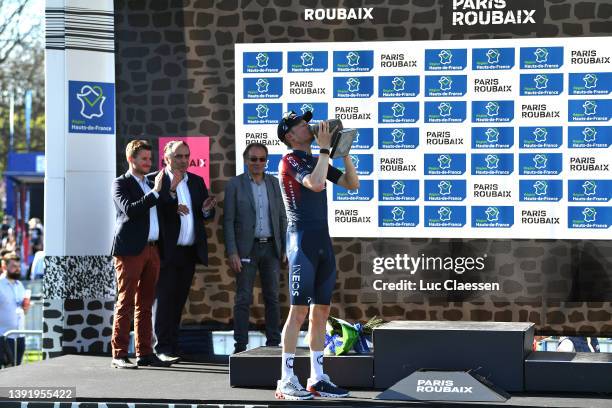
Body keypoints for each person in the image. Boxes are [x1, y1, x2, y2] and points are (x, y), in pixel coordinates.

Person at [274, 111, 359, 400]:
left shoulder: (315, 158)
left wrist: (342, 150)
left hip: (322, 239)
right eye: (300, 124)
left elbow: (351, 183)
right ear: (290, 135)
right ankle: (285, 379)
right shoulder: (290, 159)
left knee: (321, 310)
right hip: (302, 241)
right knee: (298, 312)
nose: (307, 125)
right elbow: (315, 184)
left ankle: (317, 377)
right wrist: (324, 150)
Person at [151, 140, 216, 363]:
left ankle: (173, 345)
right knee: (163, 302)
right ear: (166, 158)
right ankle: (161, 347)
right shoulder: (156, 180)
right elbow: (154, 210)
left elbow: (205, 215)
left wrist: (207, 211)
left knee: (178, 301)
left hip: (188, 252)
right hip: (165, 252)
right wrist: (170, 199)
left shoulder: (197, 182)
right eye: (178, 156)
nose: (183, 160)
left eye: (186, 156)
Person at [110, 140, 172, 369]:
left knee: (145, 304)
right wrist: (155, 192)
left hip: (153, 249)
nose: (148, 163)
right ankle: (119, 354)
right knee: (125, 302)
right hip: (130, 251)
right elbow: (130, 209)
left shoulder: (149, 182)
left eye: (149, 159)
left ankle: (145, 352)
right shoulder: (120, 183)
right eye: (143, 159)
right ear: (131, 160)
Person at [223, 142, 287, 354]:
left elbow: (281, 217)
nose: (258, 163)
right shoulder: (234, 184)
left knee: (273, 297)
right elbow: (229, 220)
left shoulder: (274, 183)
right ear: (245, 160)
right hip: (245, 250)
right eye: (253, 159)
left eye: (262, 159)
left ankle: (273, 344)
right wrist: (233, 252)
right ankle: (240, 346)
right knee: (243, 298)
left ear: (266, 161)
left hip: (271, 248)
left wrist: (285, 247)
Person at [0, 253, 28, 367]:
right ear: (4, 267)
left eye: (18, 266)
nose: (17, 269)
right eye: (14, 266)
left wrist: (26, 307)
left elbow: (22, 309)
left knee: (17, 369)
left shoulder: (20, 285)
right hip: (3, 336)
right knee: (7, 369)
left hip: (20, 335)